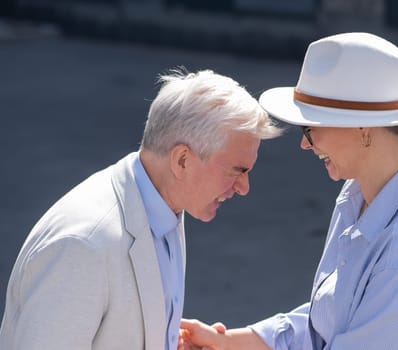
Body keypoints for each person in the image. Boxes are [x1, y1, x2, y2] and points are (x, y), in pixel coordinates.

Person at [179, 33, 398, 349]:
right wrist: (228, 342)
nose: (305, 143)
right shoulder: (358, 197)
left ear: (362, 130)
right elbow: (333, 322)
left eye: (310, 128)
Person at [0, 69, 281, 350]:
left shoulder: (165, 206)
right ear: (182, 160)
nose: (244, 188)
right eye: (236, 171)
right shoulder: (82, 246)